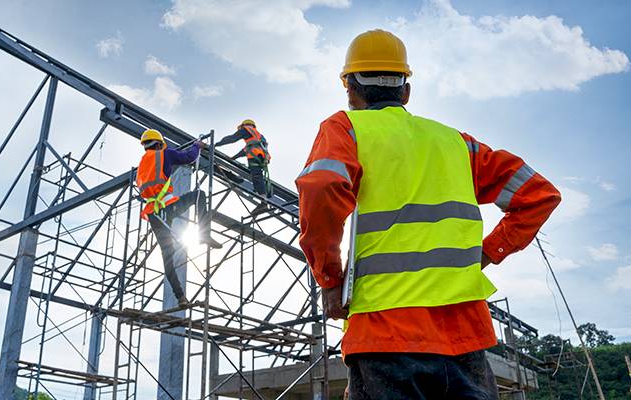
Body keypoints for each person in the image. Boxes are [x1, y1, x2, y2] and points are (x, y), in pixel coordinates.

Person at [296, 29, 561, 399]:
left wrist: (328, 279)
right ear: (406, 91)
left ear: (350, 89)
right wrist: (487, 252)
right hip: (465, 337)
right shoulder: (456, 143)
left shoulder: (345, 129)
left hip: (383, 332)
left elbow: (322, 186)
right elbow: (540, 194)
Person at [136, 129, 222, 305]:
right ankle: (204, 234)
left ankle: (180, 297)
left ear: (145, 146)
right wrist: (197, 146)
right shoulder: (164, 153)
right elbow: (188, 157)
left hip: (153, 213)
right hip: (167, 206)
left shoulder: (143, 164)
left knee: (167, 256)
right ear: (159, 143)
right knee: (199, 195)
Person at [215, 119, 272, 198]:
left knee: (256, 175)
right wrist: (234, 158)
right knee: (257, 175)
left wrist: (216, 144)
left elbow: (232, 138)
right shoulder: (259, 136)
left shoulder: (246, 129)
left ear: (243, 125)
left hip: (255, 156)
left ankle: (263, 197)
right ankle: (262, 194)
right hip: (262, 158)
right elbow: (246, 150)